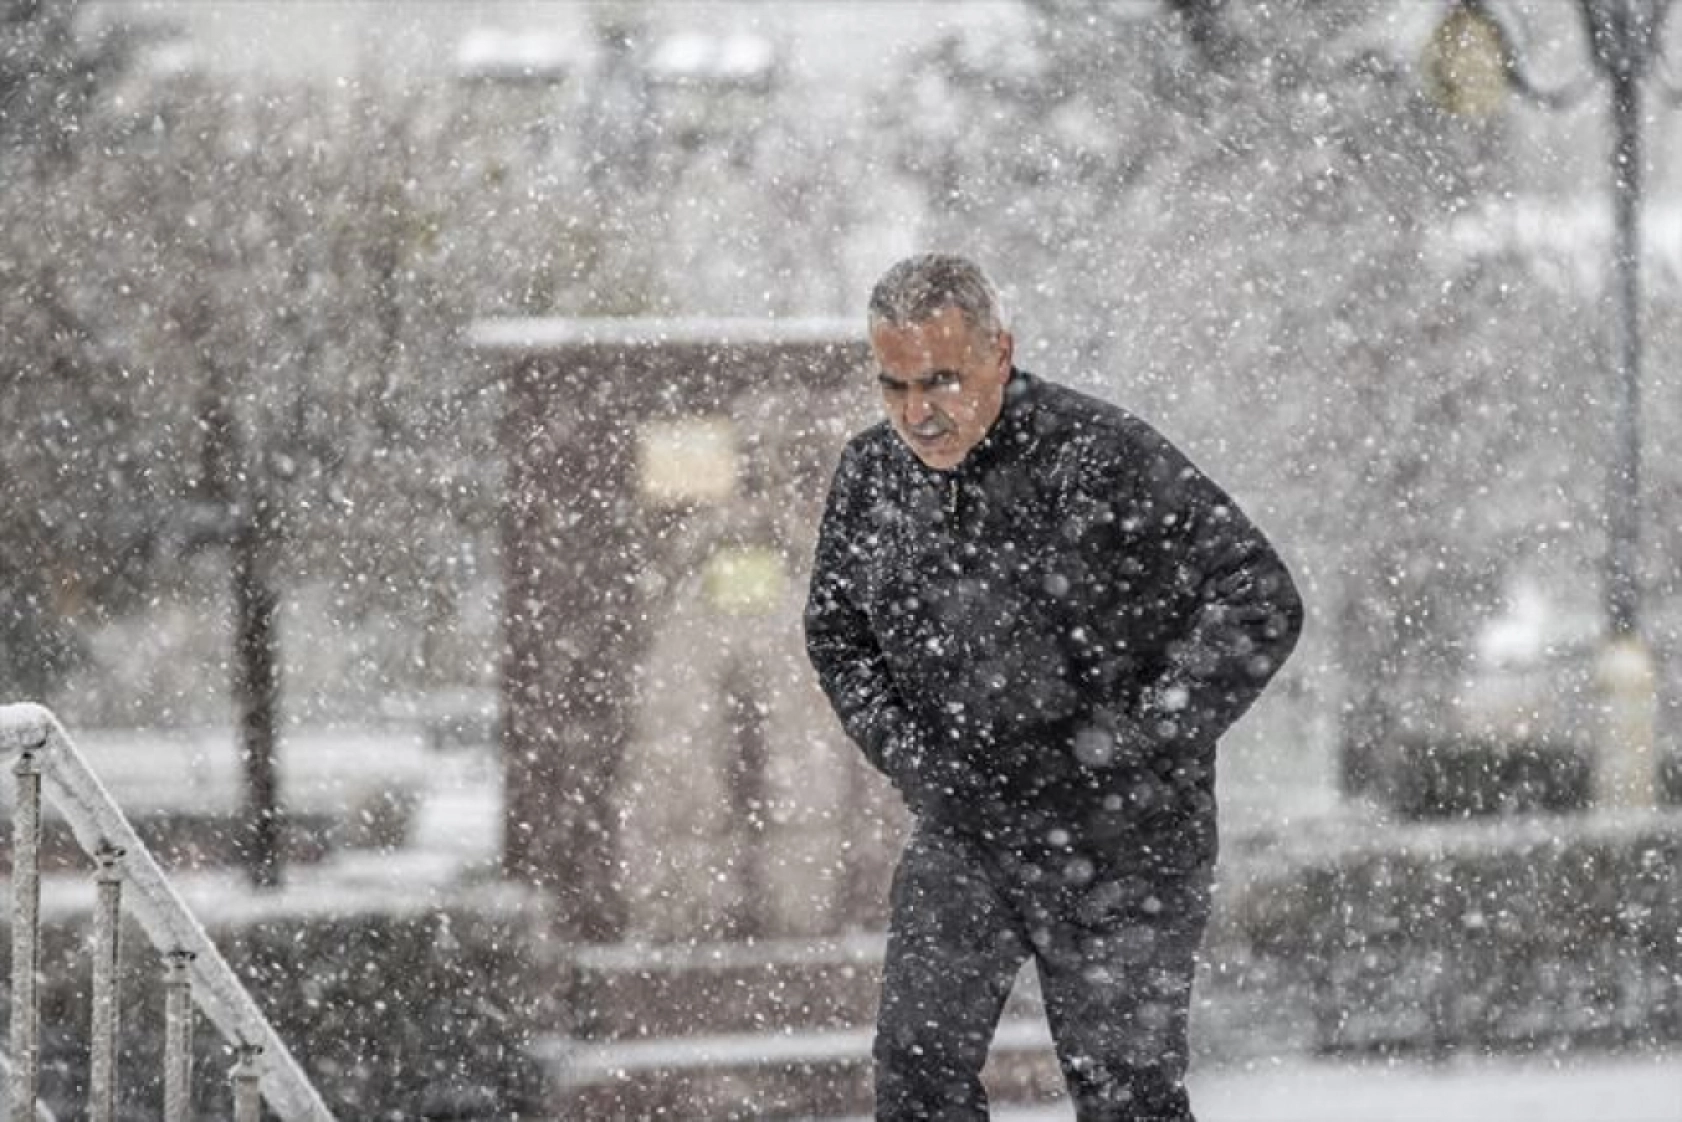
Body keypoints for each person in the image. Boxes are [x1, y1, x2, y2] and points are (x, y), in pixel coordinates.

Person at [804, 254, 1303, 1121]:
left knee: (1126, 1097)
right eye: (894, 385)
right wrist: (914, 759)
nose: (917, 414)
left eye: (942, 380)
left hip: (1126, 843)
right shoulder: (871, 479)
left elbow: (1257, 596)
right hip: (966, 826)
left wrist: (1137, 745)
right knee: (916, 1081)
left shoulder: (1102, 457)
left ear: (1002, 353)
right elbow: (837, 633)